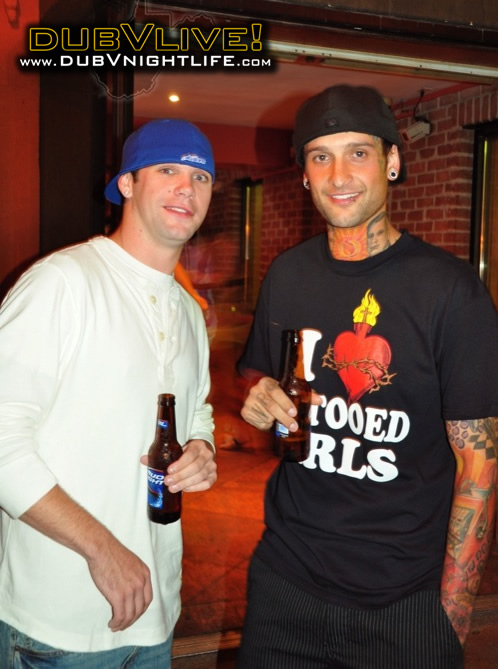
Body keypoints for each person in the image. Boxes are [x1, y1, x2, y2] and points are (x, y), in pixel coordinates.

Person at [237, 85, 498, 669]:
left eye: (358, 152)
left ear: (392, 161)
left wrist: (450, 619)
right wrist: (256, 396)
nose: (338, 175)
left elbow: (479, 469)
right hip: (285, 586)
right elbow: (257, 378)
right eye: (320, 156)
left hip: (403, 602)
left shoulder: (451, 292)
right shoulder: (287, 275)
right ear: (304, 174)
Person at [0, 118, 217, 666]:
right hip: (59, 625)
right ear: (126, 184)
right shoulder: (63, 283)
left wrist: (202, 448)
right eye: (167, 171)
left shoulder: (190, 314)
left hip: (157, 614)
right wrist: (101, 549)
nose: (186, 188)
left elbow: (198, 412)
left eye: (201, 177)